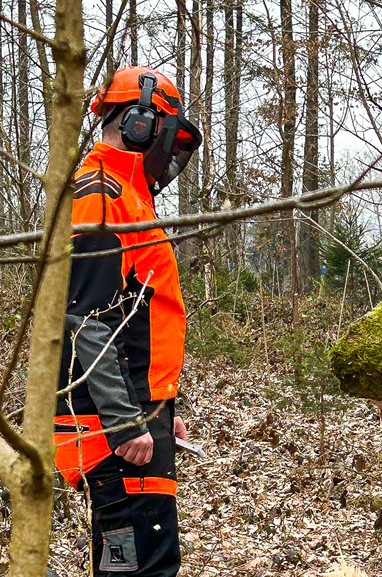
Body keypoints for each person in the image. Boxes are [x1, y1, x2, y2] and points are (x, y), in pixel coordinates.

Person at [53, 66, 201, 576]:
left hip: (139, 412)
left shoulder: (132, 195)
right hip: (112, 422)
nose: (171, 152)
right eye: (168, 134)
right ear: (141, 123)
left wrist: (162, 408)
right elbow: (88, 319)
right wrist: (124, 422)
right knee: (137, 568)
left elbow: (140, 317)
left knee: (147, 560)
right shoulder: (100, 195)